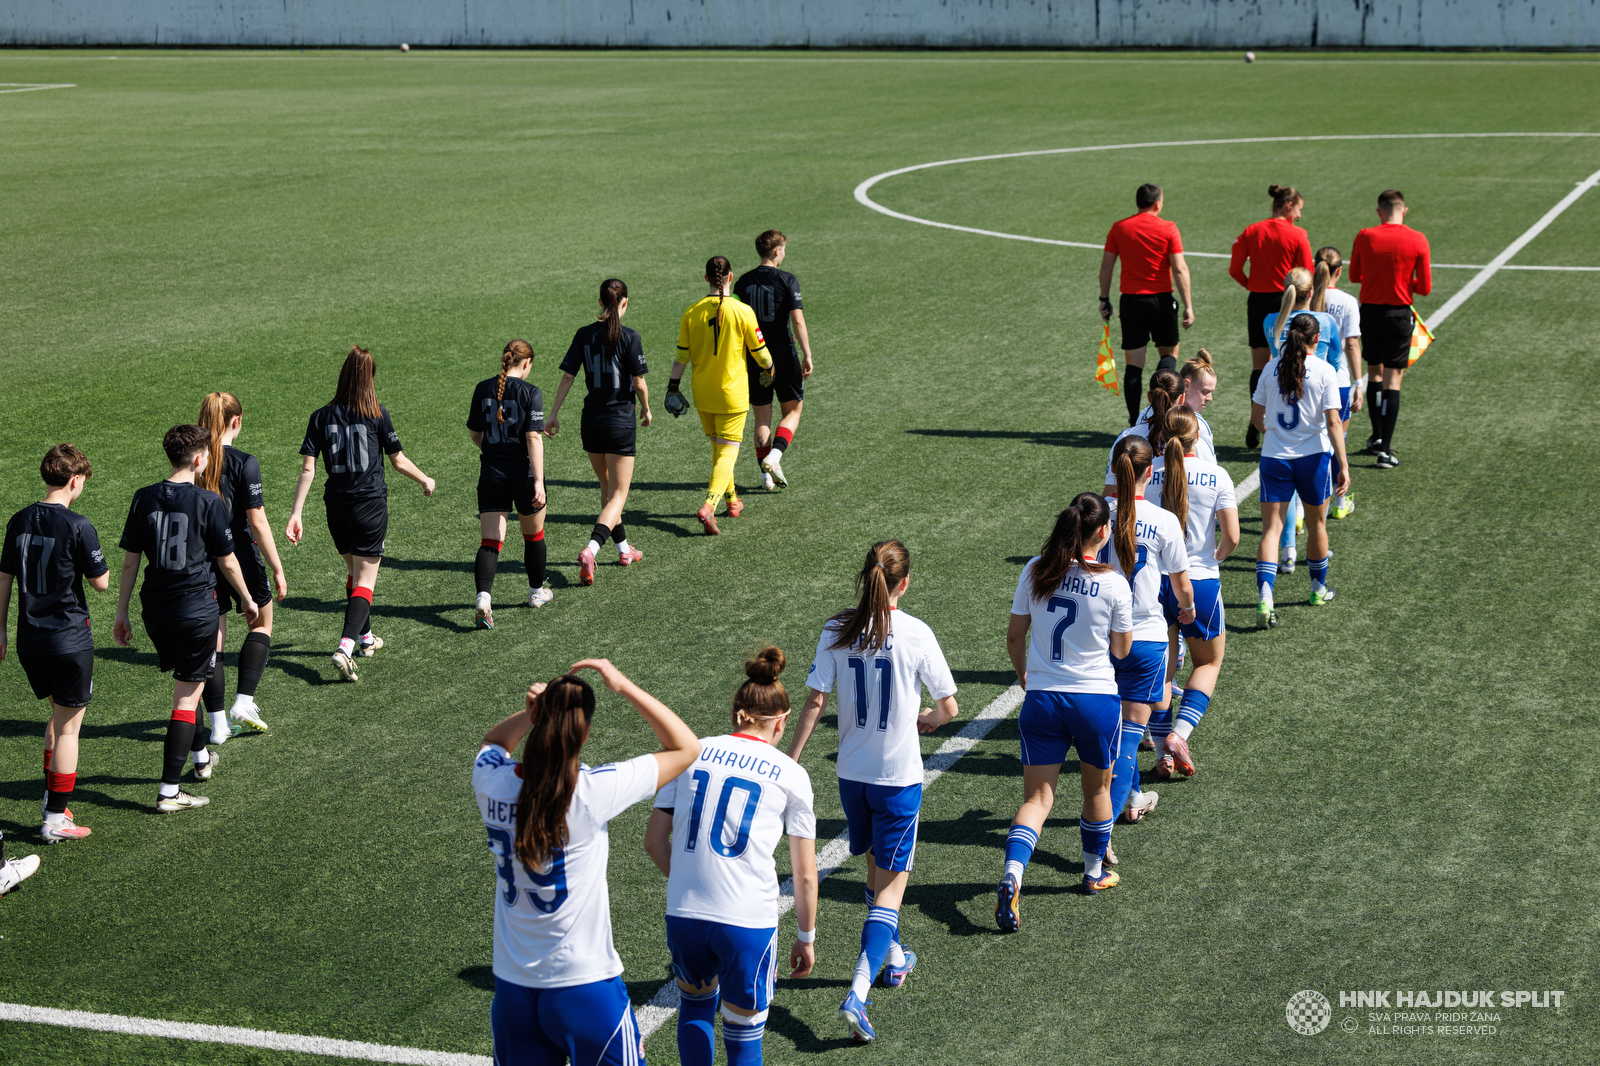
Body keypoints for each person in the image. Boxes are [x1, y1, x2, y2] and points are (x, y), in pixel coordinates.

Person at [473, 659, 700, 1066]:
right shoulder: (592, 792)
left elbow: (492, 745)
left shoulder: (492, 783)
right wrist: (624, 685)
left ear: (537, 720)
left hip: (512, 990)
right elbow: (686, 747)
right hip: (584, 988)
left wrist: (529, 715)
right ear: (585, 732)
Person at [787, 540, 959, 1042]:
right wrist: (926, 719)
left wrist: (789, 764)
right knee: (891, 886)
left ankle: (896, 956)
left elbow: (815, 701)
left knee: (875, 871)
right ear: (904, 583)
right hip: (898, 781)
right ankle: (858, 993)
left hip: (851, 778)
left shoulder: (836, 629)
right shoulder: (916, 633)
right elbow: (948, 707)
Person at [645, 647, 819, 1066]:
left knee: (695, 1008)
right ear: (780, 721)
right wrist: (806, 937)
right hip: (746, 921)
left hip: (685, 913)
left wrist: (689, 881)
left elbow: (654, 841)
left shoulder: (691, 751)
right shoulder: (791, 775)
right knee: (744, 1038)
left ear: (736, 714)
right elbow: (806, 874)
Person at [999, 494, 1133, 922]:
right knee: (1095, 789)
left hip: (1042, 699)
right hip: (1094, 700)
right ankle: (1093, 873)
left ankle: (1012, 874)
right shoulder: (1113, 583)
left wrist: (1025, 675)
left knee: (1038, 798)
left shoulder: (1035, 570)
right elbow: (1122, 649)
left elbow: (1015, 637)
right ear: (1101, 532)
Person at [113, 425, 260, 812]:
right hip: (196, 611)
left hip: (155, 611)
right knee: (185, 697)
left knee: (186, 685)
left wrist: (122, 611)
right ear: (198, 459)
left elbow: (130, 562)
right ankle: (168, 792)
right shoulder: (209, 501)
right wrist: (246, 598)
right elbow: (227, 560)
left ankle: (200, 760)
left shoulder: (142, 497)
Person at [286, 346, 435, 681]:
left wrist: (296, 513)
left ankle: (366, 639)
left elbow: (308, 470)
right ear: (370, 378)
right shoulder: (377, 413)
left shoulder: (320, 416)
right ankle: (345, 647)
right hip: (369, 506)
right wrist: (425, 478)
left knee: (354, 573)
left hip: (336, 508)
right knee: (365, 581)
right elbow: (397, 460)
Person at [0, 444, 110, 842]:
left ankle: (55, 800)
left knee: (56, 717)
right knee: (68, 730)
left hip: (30, 641)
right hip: (68, 640)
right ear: (75, 480)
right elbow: (101, 583)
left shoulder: (19, 520)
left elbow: (4, 579)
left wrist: (0, 630)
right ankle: (53, 819)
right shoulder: (78, 524)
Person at [1100, 436, 1191, 831]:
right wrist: (1186, 611)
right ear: (1149, 473)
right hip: (1146, 638)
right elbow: (1181, 585)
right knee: (1127, 739)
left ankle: (1134, 794)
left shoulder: (1094, 514)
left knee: (1112, 733)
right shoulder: (1164, 521)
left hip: (1098, 638)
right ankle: (1099, 841)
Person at [1145, 407, 1239, 779]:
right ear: (1196, 438)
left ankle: (1160, 755)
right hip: (1198, 581)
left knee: (1163, 673)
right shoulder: (1216, 474)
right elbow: (1231, 537)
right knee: (1208, 664)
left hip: (1154, 584)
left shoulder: (1148, 472)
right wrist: (1210, 560)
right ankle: (1178, 736)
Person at [196, 393, 287, 743]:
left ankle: (218, 724)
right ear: (236, 421)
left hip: (203, 558)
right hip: (240, 554)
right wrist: (277, 568)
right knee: (262, 622)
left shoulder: (195, 460)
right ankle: (244, 702)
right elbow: (258, 521)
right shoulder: (244, 461)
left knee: (215, 642)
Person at [1251, 315, 1351, 628]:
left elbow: (1257, 418)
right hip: (1313, 459)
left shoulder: (1271, 367)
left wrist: (1276, 436)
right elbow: (1334, 422)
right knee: (1317, 525)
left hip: (1275, 458)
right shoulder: (1324, 370)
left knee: (1272, 530)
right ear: (1317, 338)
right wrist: (1344, 465)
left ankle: (1266, 597)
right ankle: (1318, 590)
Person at [548, 281, 650, 586]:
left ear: (599, 301)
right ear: (625, 303)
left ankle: (623, 550)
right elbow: (640, 383)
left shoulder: (584, 334)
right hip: (619, 422)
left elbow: (568, 377)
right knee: (618, 495)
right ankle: (591, 549)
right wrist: (646, 408)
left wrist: (553, 414)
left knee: (607, 490)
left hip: (590, 421)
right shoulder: (630, 337)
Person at [668, 256, 774, 535]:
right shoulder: (742, 311)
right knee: (728, 450)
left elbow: (681, 357)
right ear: (730, 277)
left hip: (703, 393)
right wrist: (770, 368)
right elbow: (760, 353)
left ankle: (732, 500)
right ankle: (709, 505)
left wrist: (672, 387)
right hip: (733, 394)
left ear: (706, 279)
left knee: (718, 447)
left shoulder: (692, 312)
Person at [1263, 265, 1342, 574]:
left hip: (1276, 398)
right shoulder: (1324, 321)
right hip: (1313, 403)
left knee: (1279, 504)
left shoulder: (1271, 321)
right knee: (1315, 515)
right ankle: (1317, 578)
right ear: (1313, 292)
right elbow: (1335, 360)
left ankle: (1288, 552)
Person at [467, 339, 549, 626]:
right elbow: (532, 437)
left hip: (491, 474)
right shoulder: (531, 392)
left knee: (490, 541)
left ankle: (483, 599)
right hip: (524, 476)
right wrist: (539, 481)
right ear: (526, 363)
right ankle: (536, 593)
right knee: (533, 536)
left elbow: (475, 433)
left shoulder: (482, 388)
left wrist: (493, 451)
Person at [1098, 183, 1195, 425]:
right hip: (1161, 300)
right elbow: (1180, 268)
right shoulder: (1168, 228)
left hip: (1130, 302)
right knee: (1169, 354)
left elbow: (1107, 266)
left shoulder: (1119, 228)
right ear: (1157, 204)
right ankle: (1166, 412)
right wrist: (1188, 305)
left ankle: (1134, 421)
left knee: (1134, 365)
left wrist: (1103, 298)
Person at [1349, 189, 1431, 469]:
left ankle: (1375, 437)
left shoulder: (1365, 236)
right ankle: (1386, 449)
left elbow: (1354, 275)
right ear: (1404, 210)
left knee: (1374, 372)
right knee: (1393, 381)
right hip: (1399, 315)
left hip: (1369, 313)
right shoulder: (1418, 239)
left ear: (1379, 212)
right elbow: (1425, 287)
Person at [1229, 184, 1313, 449]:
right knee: (1289, 358)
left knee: (1259, 364)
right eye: (1298, 209)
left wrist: (1253, 285)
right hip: (1288, 302)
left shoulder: (1252, 230)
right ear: (1289, 206)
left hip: (1258, 301)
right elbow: (1307, 273)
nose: (1299, 215)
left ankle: (1256, 420)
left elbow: (1235, 268)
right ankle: (1290, 420)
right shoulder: (1298, 233)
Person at [735, 231, 814, 491]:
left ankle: (765, 477)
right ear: (777, 251)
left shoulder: (743, 282)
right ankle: (775, 457)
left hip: (754, 356)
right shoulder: (788, 280)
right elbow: (797, 320)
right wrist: (807, 353)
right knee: (792, 411)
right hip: (782, 353)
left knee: (761, 418)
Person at [1315, 246, 1365, 519]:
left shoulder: (1307, 298)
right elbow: (1352, 344)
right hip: (1338, 381)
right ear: (1339, 271)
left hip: (1308, 380)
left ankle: (1300, 508)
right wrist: (1360, 382)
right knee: (1337, 442)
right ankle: (1340, 502)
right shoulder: (1347, 301)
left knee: (1311, 444)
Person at [1102, 368, 1210, 494]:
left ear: (1149, 397)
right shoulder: (1198, 428)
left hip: (1137, 513)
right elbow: (1211, 482)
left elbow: (1111, 491)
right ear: (1182, 398)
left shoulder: (1127, 436)